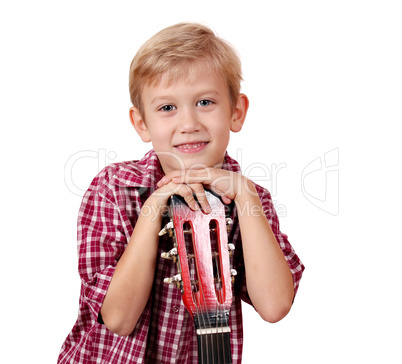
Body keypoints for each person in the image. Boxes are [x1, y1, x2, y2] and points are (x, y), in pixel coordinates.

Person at [58, 22, 305, 364]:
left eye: (205, 102)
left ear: (236, 112)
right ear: (141, 123)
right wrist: (152, 210)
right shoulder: (113, 189)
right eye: (167, 108)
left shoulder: (250, 198)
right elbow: (118, 318)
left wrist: (247, 198)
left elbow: (275, 306)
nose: (188, 123)